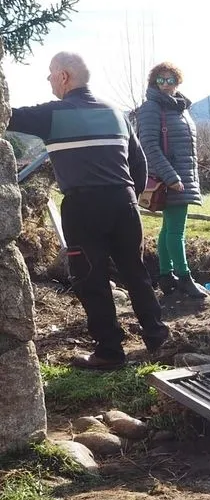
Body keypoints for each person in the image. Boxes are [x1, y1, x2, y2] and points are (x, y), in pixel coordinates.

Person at [8, 52, 169, 371]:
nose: (49, 80)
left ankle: (110, 351)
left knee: (90, 278)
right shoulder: (116, 113)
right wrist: (128, 196)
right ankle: (158, 339)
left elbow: (5, 116)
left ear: (64, 76)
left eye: (51, 74)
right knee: (135, 273)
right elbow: (139, 163)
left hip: (83, 206)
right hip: (124, 202)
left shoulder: (52, 114)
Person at [135, 61, 209, 299]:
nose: (166, 85)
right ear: (153, 82)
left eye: (171, 80)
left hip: (182, 175)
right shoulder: (151, 108)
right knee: (177, 230)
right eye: (161, 80)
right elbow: (148, 145)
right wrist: (171, 177)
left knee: (168, 228)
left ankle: (166, 275)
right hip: (170, 178)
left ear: (178, 82)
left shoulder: (179, 108)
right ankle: (185, 278)